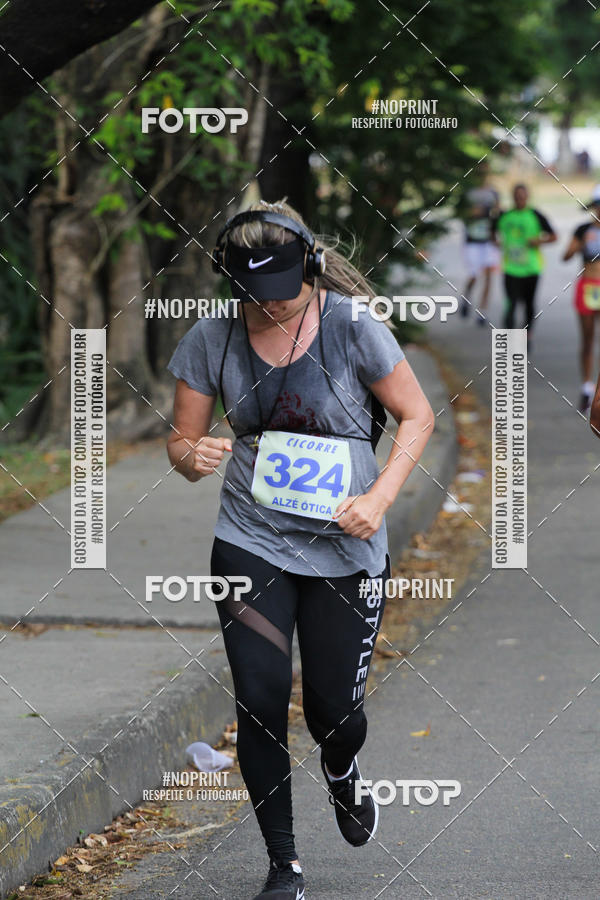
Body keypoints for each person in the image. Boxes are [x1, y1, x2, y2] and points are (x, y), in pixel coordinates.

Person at [166, 199, 434, 899]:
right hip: (251, 541)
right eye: (257, 300)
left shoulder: (351, 327)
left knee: (333, 715)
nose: (273, 311)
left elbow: (416, 414)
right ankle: (284, 865)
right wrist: (194, 456)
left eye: (285, 297)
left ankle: (342, 771)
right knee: (258, 697)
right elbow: (182, 442)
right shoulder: (211, 336)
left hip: (345, 548)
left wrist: (379, 501)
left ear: (311, 269)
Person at [494, 183, 557, 349]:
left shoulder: (535, 215)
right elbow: (492, 233)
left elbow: (554, 236)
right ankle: (510, 341)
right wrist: (497, 243)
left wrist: (538, 241)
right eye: (517, 197)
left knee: (529, 303)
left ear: (527, 197)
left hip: (531, 268)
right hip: (511, 268)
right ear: (513, 197)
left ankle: (528, 336)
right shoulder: (505, 216)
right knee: (511, 303)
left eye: (522, 196)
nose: (520, 199)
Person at [562, 185, 600, 412]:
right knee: (587, 339)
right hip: (587, 287)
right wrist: (581, 243)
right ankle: (586, 385)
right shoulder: (582, 229)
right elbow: (566, 255)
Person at [459, 173, 501, 323]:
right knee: (474, 275)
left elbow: (498, 213)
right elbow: (462, 214)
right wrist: (474, 213)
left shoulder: (494, 192)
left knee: (489, 274)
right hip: (472, 240)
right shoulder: (468, 193)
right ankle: (466, 298)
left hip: (489, 240)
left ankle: (482, 311)